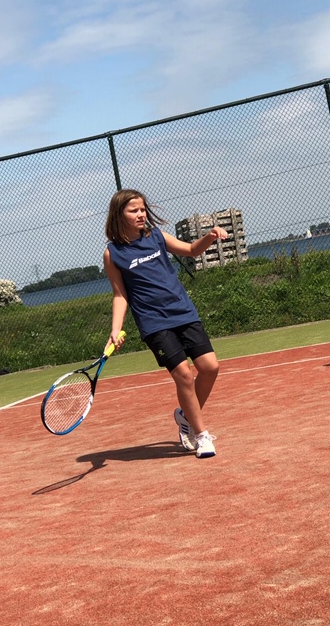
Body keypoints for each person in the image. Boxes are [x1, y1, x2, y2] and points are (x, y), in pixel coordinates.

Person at [103, 188, 228, 457]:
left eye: (142, 209)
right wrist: (115, 329)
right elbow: (120, 295)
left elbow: (192, 250)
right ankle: (201, 435)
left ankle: (185, 417)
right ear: (119, 215)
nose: (141, 214)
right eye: (133, 210)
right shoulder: (113, 254)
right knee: (184, 374)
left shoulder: (156, 236)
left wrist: (210, 236)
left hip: (183, 312)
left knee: (210, 367)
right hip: (153, 322)